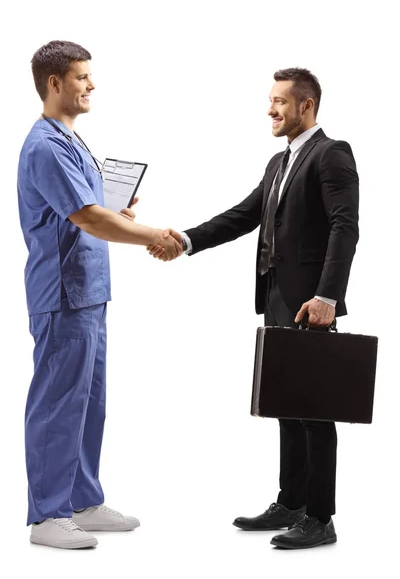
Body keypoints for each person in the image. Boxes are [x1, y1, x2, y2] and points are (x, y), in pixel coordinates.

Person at [147, 67, 359, 549]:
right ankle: (292, 502)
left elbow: (346, 226)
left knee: (316, 410)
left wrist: (328, 295)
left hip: (310, 301)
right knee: (287, 402)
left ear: (306, 105)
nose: (270, 109)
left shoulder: (332, 154)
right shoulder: (278, 163)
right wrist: (186, 240)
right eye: (271, 100)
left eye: (280, 101)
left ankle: (321, 518)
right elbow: (244, 215)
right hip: (277, 297)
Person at [18, 40, 182, 550]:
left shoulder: (72, 140)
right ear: (54, 83)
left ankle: (83, 502)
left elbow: (94, 210)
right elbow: (87, 217)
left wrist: (120, 216)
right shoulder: (45, 145)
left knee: (89, 402)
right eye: (82, 77)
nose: (91, 85)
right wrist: (154, 234)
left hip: (90, 290)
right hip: (62, 292)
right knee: (57, 401)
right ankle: (47, 515)